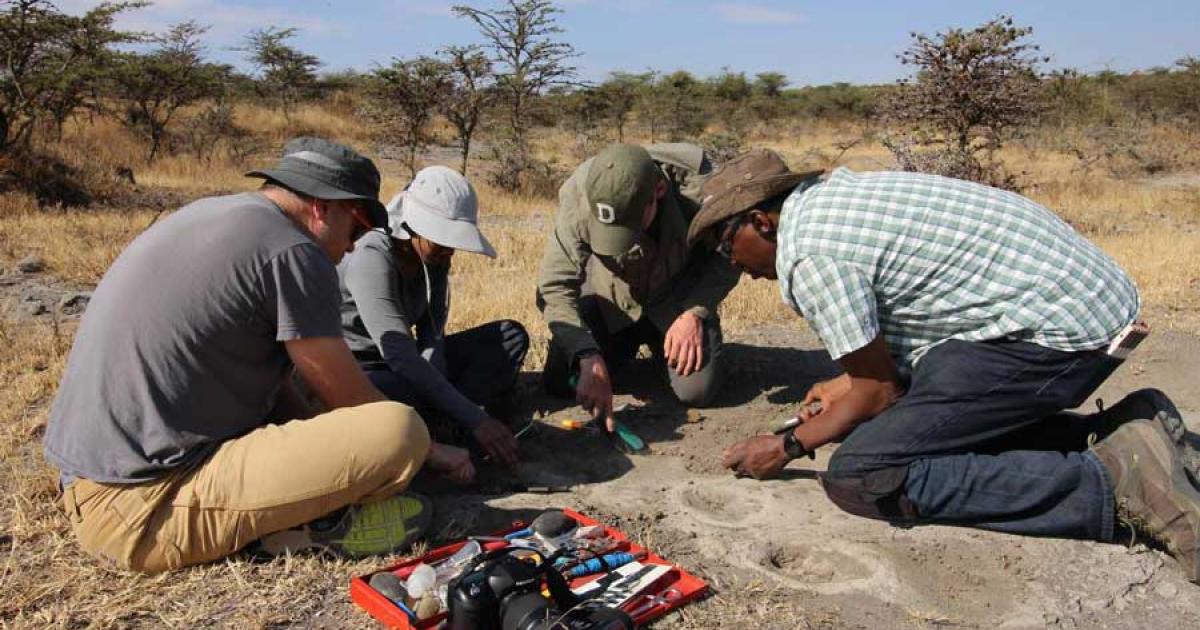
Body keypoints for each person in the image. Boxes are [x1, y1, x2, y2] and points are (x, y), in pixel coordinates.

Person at [690, 148, 1200, 581]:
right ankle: (1121, 431)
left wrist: (786, 446)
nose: (732, 265)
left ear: (760, 221)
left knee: (863, 472)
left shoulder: (808, 257)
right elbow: (883, 362)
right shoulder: (829, 202)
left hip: (1059, 337)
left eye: (726, 245)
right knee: (894, 425)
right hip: (1076, 306)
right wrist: (848, 384)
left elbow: (880, 392)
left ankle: (1113, 482)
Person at [43, 137, 474, 574]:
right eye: (357, 227)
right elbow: (351, 399)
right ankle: (299, 530)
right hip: (144, 509)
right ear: (324, 208)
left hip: (84, 477)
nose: (351, 246)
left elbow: (280, 381)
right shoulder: (296, 251)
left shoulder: (215, 213)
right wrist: (432, 450)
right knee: (399, 431)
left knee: (323, 399)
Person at [339, 165, 529, 469]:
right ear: (413, 227)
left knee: (509, 336)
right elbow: (399, 355)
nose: (450, 251)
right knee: (404, 392)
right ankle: (440, 426)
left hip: (412, 364)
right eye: (442, 241)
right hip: (373, 370)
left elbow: (433, 333)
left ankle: (442, 418)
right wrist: (474, 417)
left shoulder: (433, 257)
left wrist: (440, 383)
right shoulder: (372, 256)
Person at [537, 143, 740, 423]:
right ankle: (622, 344)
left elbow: (731, 254)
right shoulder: (579, 194)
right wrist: (586, 353)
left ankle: (661, 344)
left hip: (677, 299)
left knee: (697, 392)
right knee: (562, 381)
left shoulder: (701, 187)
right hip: (610, 294)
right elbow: (554, 284)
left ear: (658, 191)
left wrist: (696, 310)